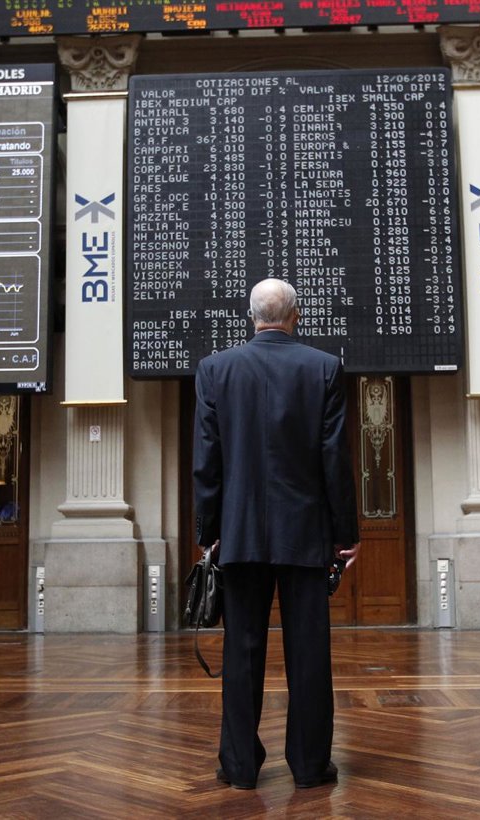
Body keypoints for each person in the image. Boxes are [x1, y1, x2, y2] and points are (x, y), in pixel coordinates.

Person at [193, 277, 360, 790]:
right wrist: (345, 533)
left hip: (239, 535)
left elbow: (207, 461)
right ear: (295, 316)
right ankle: (309, 766)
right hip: (305, 534)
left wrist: (208, 530)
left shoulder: (215, 370)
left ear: (252, 317)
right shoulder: (323, 367)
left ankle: (240, 766)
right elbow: (334, 459)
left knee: (241, 653)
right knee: (309, 653)